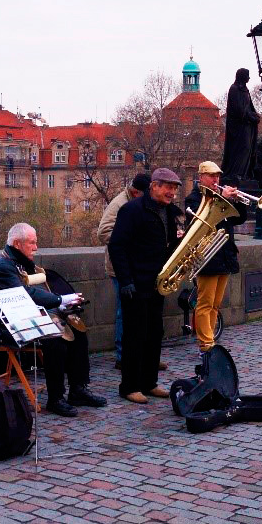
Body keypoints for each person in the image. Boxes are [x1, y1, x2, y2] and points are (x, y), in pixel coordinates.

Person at [0, 223, 108, 416]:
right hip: (11, 324)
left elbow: (38, 290)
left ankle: (78, 389)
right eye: (32, 243)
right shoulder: (3, 266)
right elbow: (25, 294)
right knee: (56, 340)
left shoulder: (19, 260)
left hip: (30, 313)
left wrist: (62, 305)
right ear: (17, 243)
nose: (36, 247)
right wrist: (60, 301)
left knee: (77, 328)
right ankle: (56, 398)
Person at [108, 168, 183, 404]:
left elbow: (168, 245)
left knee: (153, 333)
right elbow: (117, 246)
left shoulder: (169, 211)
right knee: (135, 335)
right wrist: (126, 281)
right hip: (136, 282)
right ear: (154, 186)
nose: (171, 192)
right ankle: (129, 386)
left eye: (174, 188)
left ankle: (149, 382)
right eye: (167, 187)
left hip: (157, 282)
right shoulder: (131, 210)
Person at [189, 161, 248, 360]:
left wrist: (237, 201)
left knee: (215, 303)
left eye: (218, 176)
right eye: (211, 176)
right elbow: (198, 221)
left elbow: (237, 219)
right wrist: (221, 198)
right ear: (201, 177)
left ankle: (211, 338)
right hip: (206, 256)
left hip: (224, 254)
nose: (216, 180)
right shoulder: (195, 198)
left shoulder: (219, 196)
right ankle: (205, 343)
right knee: (204, 303)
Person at [97, 172, 151, 367]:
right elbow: (103, 233)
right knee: (124, 311)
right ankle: (122, 356)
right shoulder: (119, 204)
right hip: (120, 267)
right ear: (136, 192)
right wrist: (132, 240)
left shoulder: (137, 202)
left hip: (135, 265)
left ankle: (139, 353)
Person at [221, 68, 259, 182]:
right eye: (247, 75)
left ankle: (244, 173)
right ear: (242, 76)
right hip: (238, 127)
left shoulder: (245, 90)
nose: (249, 78)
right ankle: (235, 173)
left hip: (247, 125)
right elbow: (238, 109)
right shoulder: (234, 89)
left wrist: (254, 115)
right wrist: (250, 116)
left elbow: (249, 106)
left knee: (249, 148)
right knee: (242, 147)